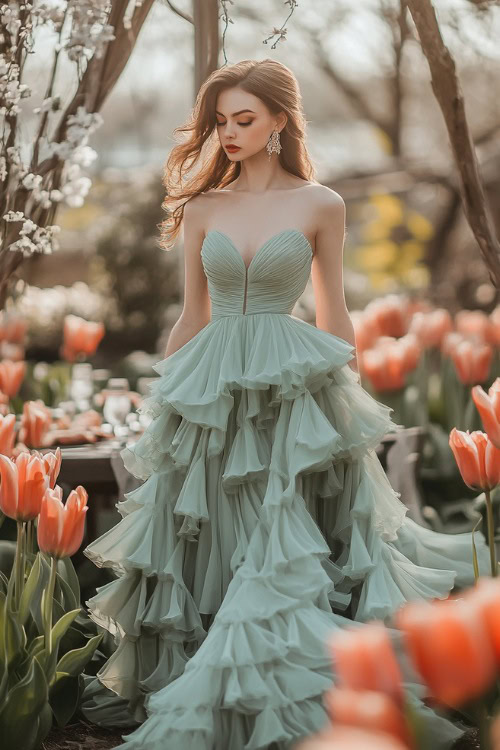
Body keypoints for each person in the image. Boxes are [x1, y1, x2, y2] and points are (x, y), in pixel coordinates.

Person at [80, 59, 490, 750]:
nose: (230, 132)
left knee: (286, 537)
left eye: (245, 119)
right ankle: (217, 671)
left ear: (278, 121)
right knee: (209, 531)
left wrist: (347, 403)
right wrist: (168, 391)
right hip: (213, 385)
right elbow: (191, 314)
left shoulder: (320, 203)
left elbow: (334, 311)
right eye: (221, 120)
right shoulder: (203, 207)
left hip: (294, 387)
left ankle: (297, 686)